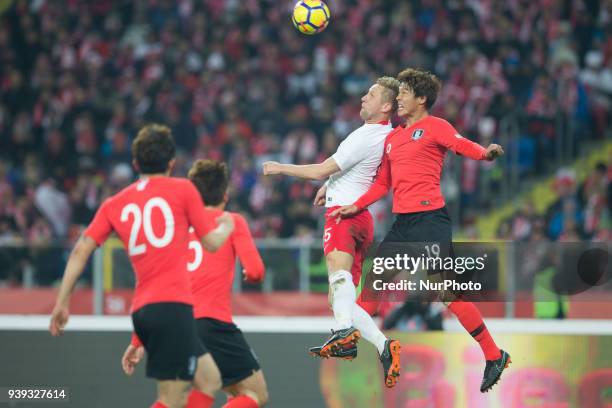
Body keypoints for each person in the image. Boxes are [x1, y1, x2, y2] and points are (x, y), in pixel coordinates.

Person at [331, 68, 510, 393]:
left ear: (421, 98)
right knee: (372, 287)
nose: (397, 97)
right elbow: (383, 183)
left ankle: (493, 355)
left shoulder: (435, 126)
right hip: (403, 225)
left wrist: (485, 154)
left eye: (403, 93)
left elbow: (460, 144)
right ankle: (350, 340)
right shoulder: (394, 137)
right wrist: (357, 205)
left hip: (430, 220)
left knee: (445, 291)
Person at [49, 124, 235, 408]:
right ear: (172, 162)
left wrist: (62, 301)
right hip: (172, 306)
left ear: (135, 163)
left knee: (208, 379)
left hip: (144, 311)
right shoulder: (183, 189)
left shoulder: (115, 203)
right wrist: (227, 226)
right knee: (173, 399)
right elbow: (210, 243)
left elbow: (80, 249)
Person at [262, 77, 402, 388]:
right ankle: (383, 346)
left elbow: (320, 169)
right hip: (362, 218)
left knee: (337, 281)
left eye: (372, 94)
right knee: (342, 298)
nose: (364, 97)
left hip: (343, 216)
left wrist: (280, 168)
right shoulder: (387, 136)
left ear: (386, 106)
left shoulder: (365, 135)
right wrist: (331, 185)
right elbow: (363, 171)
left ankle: (344, 335)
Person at [123, 159, 270, 408]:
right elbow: (255, 271)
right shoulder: (230, 220)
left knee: (175, 399)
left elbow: (155, 283)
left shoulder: (174, 228)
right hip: (210, 323)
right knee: (255, 394)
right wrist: (250, 275)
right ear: (225, 194)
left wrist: (137, 341)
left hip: (171, 323)